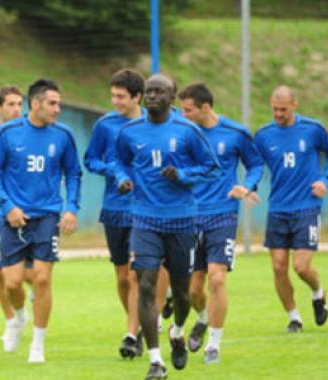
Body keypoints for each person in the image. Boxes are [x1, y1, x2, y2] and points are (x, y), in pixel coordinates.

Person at [114, 74, 220, 379]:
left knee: (182, 293)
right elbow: (119, 161)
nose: (152, 96)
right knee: (145, 283)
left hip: (182, 220)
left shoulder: (187, 130)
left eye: (159, 91)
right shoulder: (130, 131)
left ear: (172, 98)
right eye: (149, 91)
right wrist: (122, 179)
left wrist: (183, 176)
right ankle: (156, 361)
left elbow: (212, 167)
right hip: (144, 218)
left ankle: (177, 331)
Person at [0, 78, 82, 363]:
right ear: (36, 103)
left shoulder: (63, 136)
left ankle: (38, 344)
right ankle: (19, 318)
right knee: (12, 284)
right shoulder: (7, 133)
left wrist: (71, 209)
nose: (58, 109)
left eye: (59, 103)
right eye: (52, 103)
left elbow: (74, 174)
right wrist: (8, 207)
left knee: (42, 279)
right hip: (14, 218)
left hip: (47, 216)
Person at [179, 82, 264, 364]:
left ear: (205, 107)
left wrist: (247, 186)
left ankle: (214, 344)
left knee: (217, 279)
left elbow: (255, 164)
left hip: (223, 215)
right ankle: (202, 319)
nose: (184, 114)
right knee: (193, 289)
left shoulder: (236, 133)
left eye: (188, 109)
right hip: (190, 217)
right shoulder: (182, 133)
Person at [253, 85, 328, 334]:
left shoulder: (313, 129)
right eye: (274, 109)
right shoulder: (264, 135)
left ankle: (318, 293)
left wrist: (325, 180)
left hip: (306, 206)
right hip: (277, 208)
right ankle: (294, 318)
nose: (278, 114)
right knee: (277, 266)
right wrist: (249, 186)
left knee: (301, 267)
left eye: (283, 109)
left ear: (294, 105)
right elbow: (254, 164)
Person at [84, 68, 145, 359]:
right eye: (113, 96)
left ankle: (131, 333)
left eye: (121, 97)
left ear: (137, 97)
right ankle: (138, 322)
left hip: (144, 209)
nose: (116, 102)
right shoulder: (105, 125)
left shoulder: (152, 124)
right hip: (114, 208)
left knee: (134, 274)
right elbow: (91, 160)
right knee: (122, 277)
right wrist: (111, 170)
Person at [0, 85, 35, 344]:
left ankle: (27, 302)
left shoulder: (31, 135)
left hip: (27, 213)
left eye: (20, 104)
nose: (17, 109)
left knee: (32, 274)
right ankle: (12, 320)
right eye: (10, 104)